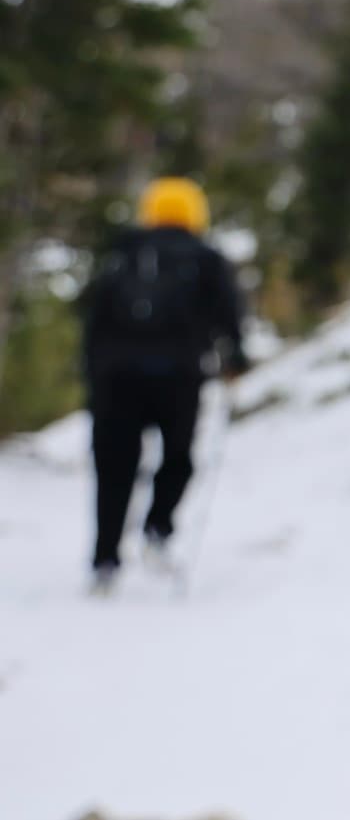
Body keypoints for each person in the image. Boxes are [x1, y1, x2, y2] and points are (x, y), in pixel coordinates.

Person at [81, 177, 248, 594]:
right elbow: (229, 314)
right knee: (178, 458)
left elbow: (94, 317)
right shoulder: (206, 258)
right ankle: (158, 527)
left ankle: (105, 559)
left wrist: (91, 372)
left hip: (116, 378)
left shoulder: (123, 253)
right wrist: (235, 359)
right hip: (179, 377)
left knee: (114, 468)